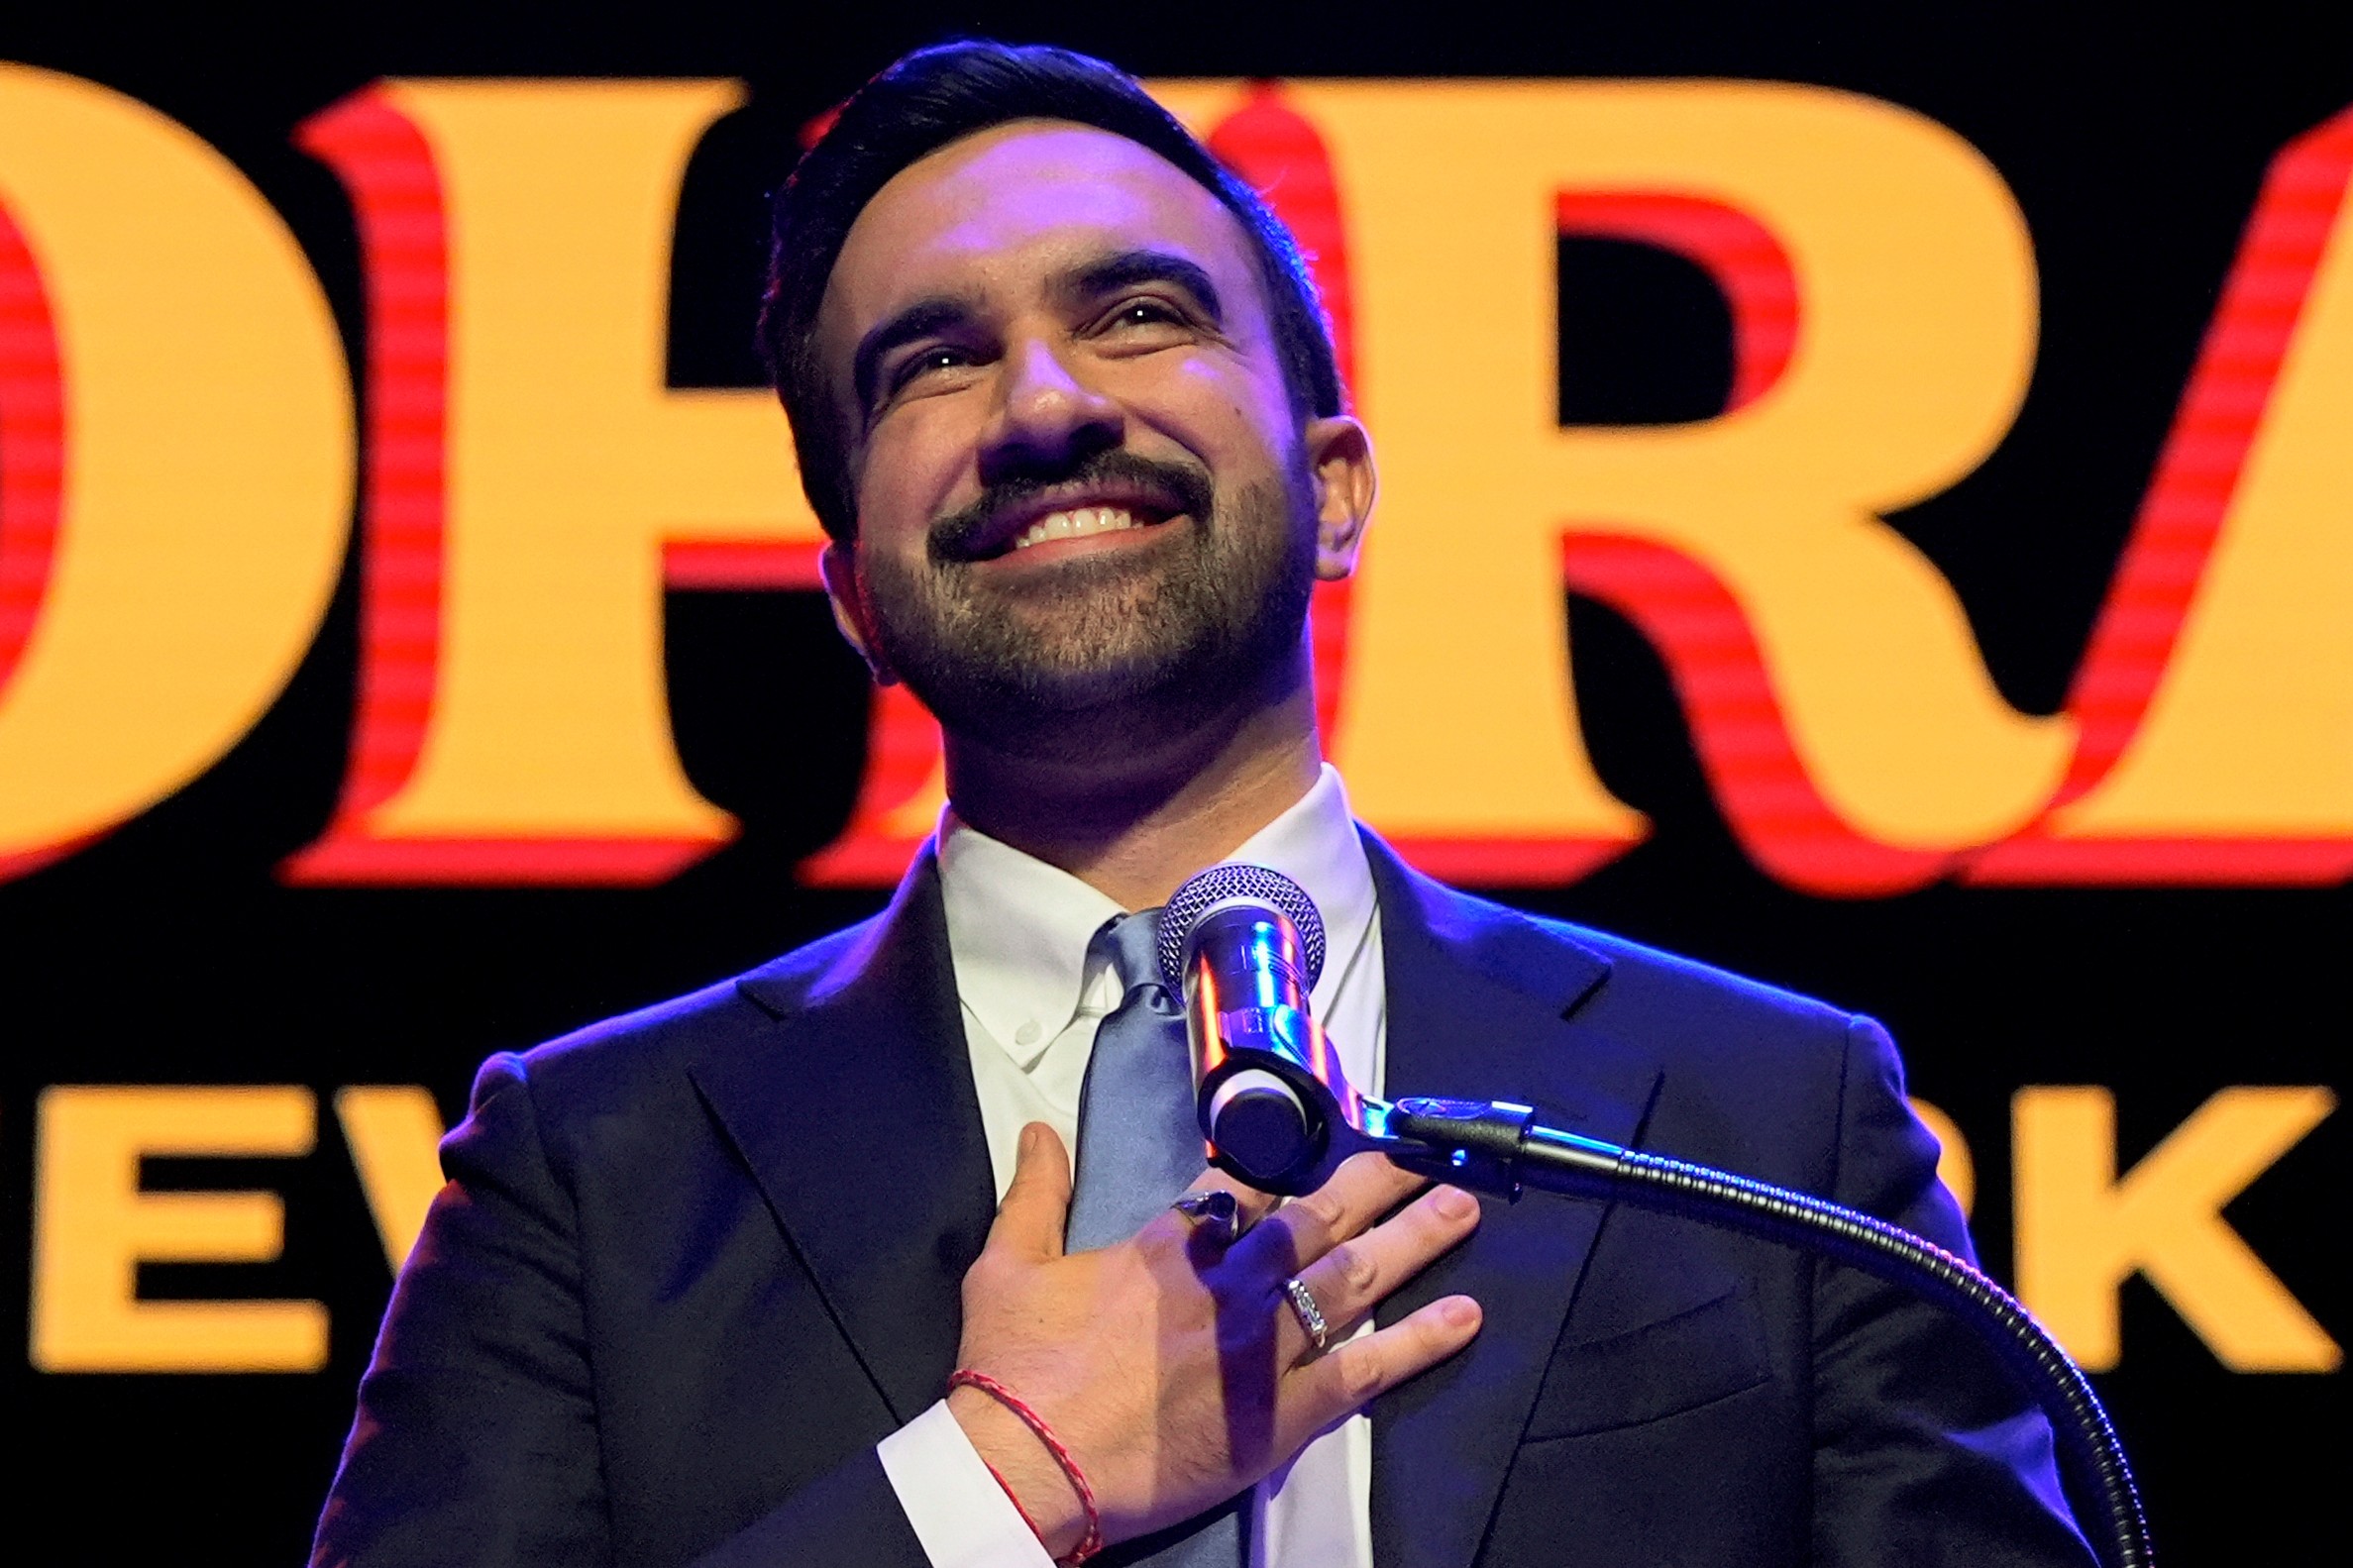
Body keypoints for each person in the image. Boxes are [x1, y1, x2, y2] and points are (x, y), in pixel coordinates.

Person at [311, 39, 2095, 1568]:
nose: (1044, 404)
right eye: (930, 362)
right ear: (851, 590)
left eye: (1141, 314)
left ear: (1333, 490)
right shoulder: (590, 1171)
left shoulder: (1766, 1120)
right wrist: (994, 1486)